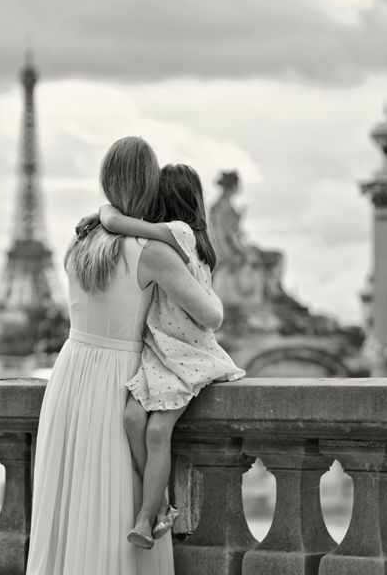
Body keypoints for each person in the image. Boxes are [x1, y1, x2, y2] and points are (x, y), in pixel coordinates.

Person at [26, 139, 223, 575]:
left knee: (68, 508)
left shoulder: (79, 244)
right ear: (150, 185)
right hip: (117, 377)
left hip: (70, 373)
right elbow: (210, 314)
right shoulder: (151, 252)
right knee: (112, 508)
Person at [79, 163, 245, 549]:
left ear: (165, 200)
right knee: (133, 419)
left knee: (155, 430)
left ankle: (145, 515)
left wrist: (98, 215)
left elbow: (115, 221)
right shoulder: (184, 240)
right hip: (161, 351)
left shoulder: (180, 233)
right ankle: (163, 505)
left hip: (187, 354)